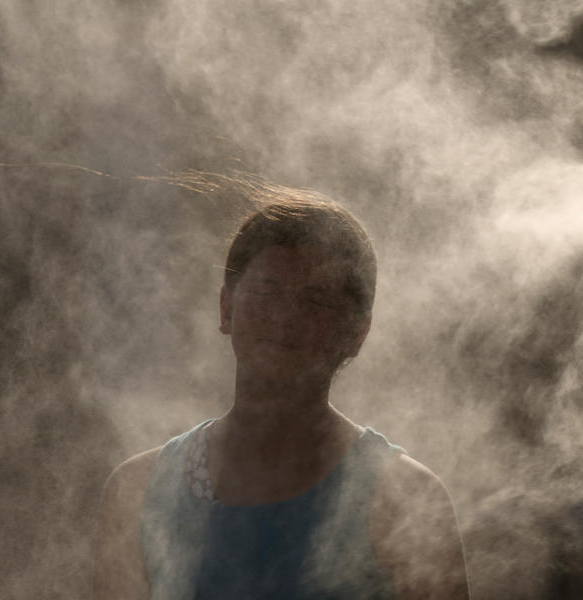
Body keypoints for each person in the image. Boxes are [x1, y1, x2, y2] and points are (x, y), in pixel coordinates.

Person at [95, 196, 469, 599]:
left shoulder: (403, 500)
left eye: (315, 302)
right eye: (266, 292)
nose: (285, 317)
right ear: (226, 308)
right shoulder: (138, 492)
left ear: (356, 332)